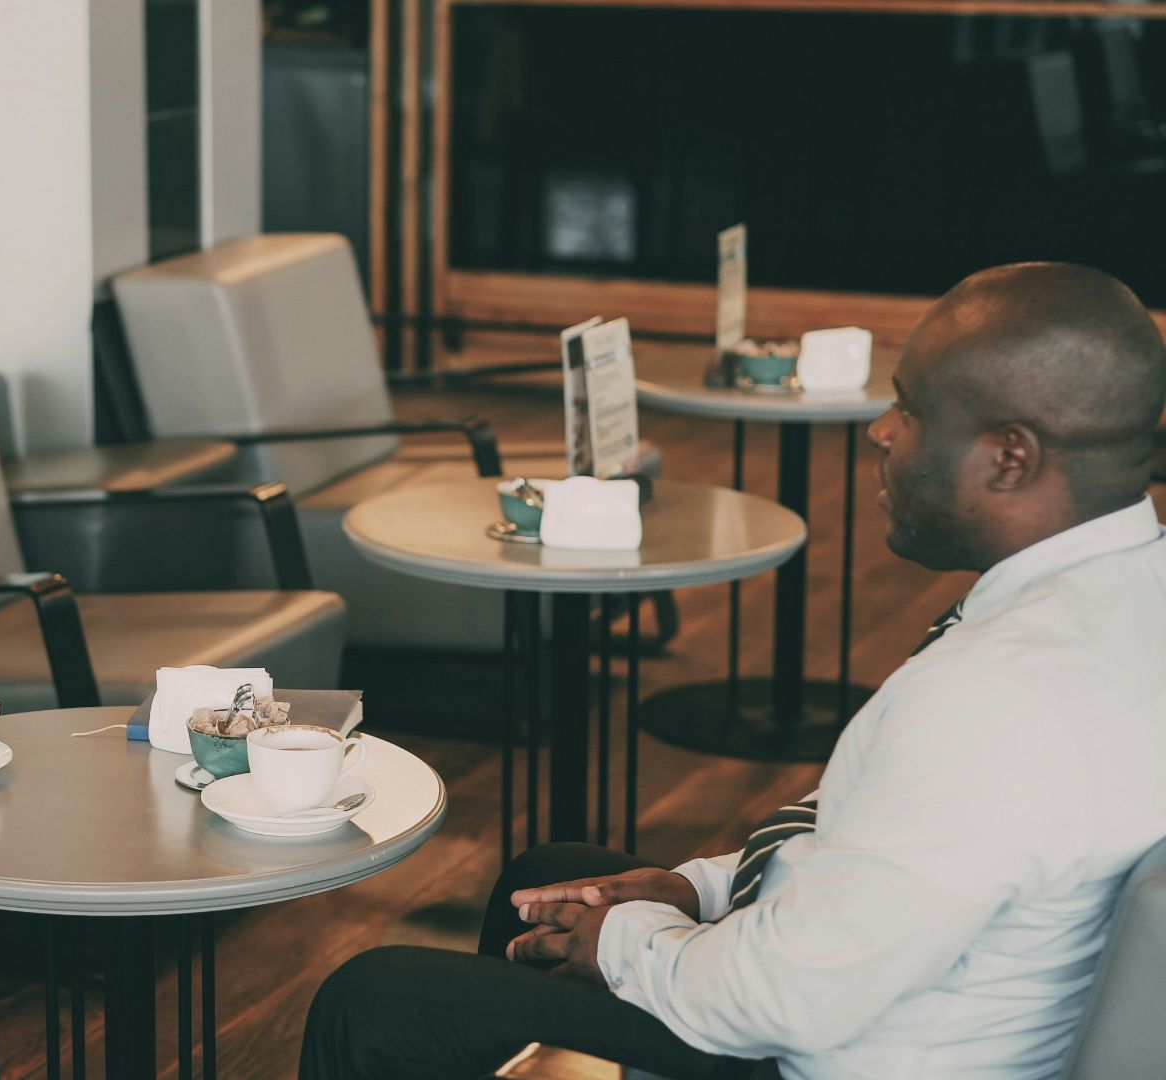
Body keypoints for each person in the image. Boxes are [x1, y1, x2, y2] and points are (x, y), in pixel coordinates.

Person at [300, 262, 1166, 1079]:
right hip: (898, 988)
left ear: (1010, 458)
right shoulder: (1124, 595)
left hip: (842, 1051)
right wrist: (698, 888)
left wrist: (622, 940)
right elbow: (873, 840)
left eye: (912, 409)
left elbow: (785, 999)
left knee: (375, 1001)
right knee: (546, 873)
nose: (882, 431)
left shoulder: (994, 696)